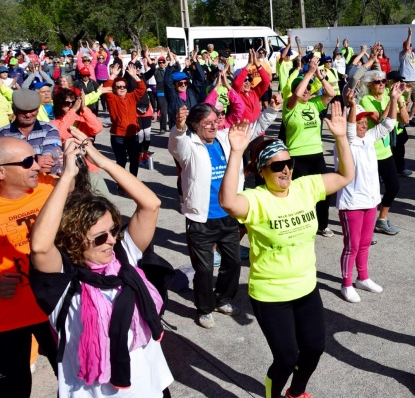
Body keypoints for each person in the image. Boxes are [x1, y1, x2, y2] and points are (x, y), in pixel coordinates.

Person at [218, 102, 353, 398]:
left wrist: (342, 138)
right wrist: (237, 153)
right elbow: (228, 202)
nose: (286, 170)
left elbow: (345, 176)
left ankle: (297, 392)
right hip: (271, 294)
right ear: (263, 170)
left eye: (288, 163)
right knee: (286, 357)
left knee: (315, 348)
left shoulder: (306, 187)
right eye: (277, 165)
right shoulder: (256, 199)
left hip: (306, 287)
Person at [28, 134, 173, 397]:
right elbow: (39, 246)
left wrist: (102, 161)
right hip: (93, 391)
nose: (112, 240)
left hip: (149, 384)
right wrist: (67, 176)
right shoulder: (63, 280)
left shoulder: (123, 257)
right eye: (100, 237)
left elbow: (151, 205)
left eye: (114, 230)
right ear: (73, 239)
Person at [168, 104, 243, 328]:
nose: (213, 126)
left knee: (233, 262)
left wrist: (269, 113)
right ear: (195, 125)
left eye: (215, 120)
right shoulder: (188, 144)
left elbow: (250, 129)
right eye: (207, 123)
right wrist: (179, 128)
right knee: (204, 269)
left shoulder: (223, 138)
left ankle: (224, 299)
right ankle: (205, 308)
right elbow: (176, 144)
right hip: (200, 219)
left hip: (228, 215)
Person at [0, 137, 58, 396]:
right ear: (1, 171)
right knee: (15, 387)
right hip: (8, 320)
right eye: (26, 162)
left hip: (54, 310)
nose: (37, 166)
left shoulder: (49, 190)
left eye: (35, 158)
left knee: (75, 377)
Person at [337, 86, 401, 303]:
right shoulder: (346, 141)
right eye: (359, 122)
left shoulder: (369, 138)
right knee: (352, 245)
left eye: (365, 122)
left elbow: (389, 124)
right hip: (351, 203)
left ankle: (362, 278)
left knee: (364, 243)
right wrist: (353, 105)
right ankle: (346, 283)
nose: (363, 125)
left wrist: (393, 99)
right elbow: (349, 129)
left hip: (371, 200)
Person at [284, 57, 337, 238]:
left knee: (324, 191)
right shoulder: (289, 105)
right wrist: (307, 74)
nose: (306, 91)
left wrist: (320, 76)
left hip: (316, 154)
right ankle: (300, 224)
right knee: (298, 193)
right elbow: (297, 95)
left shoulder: (315, 104)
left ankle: (323, 225)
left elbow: (331, 93)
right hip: (297, 155)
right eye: (303, 87)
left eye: (308, 88)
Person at [360, 70, 404, 236]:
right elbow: (380, 122)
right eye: (377, 82)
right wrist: (392, 100)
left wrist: (400, 101)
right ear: (369, 84)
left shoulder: (388, 94)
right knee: (370, 191)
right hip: (371, 152)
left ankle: (382, 219)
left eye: (384, 81)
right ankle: (365, 226)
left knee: (394, 186)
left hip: (385, 150)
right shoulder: (366, 100)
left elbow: (404, 120)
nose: (381, 85)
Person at [0, 89, 61, 174]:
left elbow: (48, 167)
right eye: (23, 111)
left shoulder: (49, 130)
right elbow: (4, 169)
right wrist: (36, 160)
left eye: (32, 110)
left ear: (38, 109)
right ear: (14, 110)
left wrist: (20, 163)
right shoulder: (3, 134)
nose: (28, 115)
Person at [104, 63, 146, 178]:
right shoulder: (112, 98)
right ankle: (121, 184)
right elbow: (106, 87)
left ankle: (133, 182)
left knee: (134, 161)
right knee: (121, 162)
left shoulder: (132, 96)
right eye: (118, 87)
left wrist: (135, 76)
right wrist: (112, 75)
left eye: (124, 86)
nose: (122, 88)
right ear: (115, 89)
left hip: (132, 135)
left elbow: (142, 88)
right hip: (118, 136)